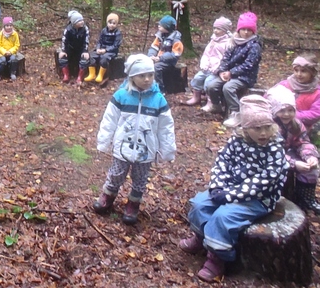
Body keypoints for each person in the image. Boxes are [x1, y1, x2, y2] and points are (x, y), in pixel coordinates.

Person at [179, 95, 288, 282]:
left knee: (224, 216)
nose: (263, 133)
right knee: (200, 204)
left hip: (258, 198)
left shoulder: (274, 149)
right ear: (245, 127)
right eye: (257, 128)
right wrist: (217, 187)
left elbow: (264, 181)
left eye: (266, 127)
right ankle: (201, 237)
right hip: (229, 189)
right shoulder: (237, 141)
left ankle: (217, 257)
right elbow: (222, 162)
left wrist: (229, 195)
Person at [93, 54, 176, 225]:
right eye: (142, 75)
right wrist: (104, 141)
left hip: (146, 149)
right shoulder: (121, 96)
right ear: (132, 76)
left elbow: (166, 127)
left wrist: (167, 150)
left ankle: (133, 203)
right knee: (116, 174)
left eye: (150, 75)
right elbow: (109, 120)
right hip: (122, 147)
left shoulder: (158, 100)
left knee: (140, 178)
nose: (147, 79)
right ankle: (108, 195)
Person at [266, 85, 320, 214]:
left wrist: (310, 156)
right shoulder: (269, 127)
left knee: (311, 170)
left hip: (288, 153)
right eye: (282, 110)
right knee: (281, 172)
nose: (286, 114)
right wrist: (294, 164)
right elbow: (273, 152)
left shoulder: (296, 124)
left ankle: (306, 199)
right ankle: (279, 199)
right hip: (270, 158)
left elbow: (303, 142)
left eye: (290, 110)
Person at [204, 12, 262, 127]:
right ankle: (216, 105)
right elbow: (225, 58)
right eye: (243, 29)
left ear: (253, 31)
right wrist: (222, 71)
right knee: (211, 86)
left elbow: (249, 64)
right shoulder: (233, 41)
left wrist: (231, 73)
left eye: (249, 30)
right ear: (239, 30)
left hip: (245, 76)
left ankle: (236, 113)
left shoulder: (254, 46)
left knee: (228, 88)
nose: (246, 32)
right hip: (228, 74)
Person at [184, 17, 233, 106]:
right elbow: (206, 54)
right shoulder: (213, 40)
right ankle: (196, 97)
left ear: (225, 30)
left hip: (217, 70)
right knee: (197, 78)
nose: (215, 31)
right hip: (207, 68)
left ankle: (210, 102)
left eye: (218, 29)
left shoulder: (228, 43)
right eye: (214, 28)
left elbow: (226, 59)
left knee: (208, 81)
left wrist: (218, 69)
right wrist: (204, 63)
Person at [272, 54, 320, 133]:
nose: (299, 74)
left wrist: (292, 115)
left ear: (312, 72)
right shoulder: (284, 85)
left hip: (302, 128)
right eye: (296, 70)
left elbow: (315, 113)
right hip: (278, 124)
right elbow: (268, 98)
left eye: (303, 71)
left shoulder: (317, 93)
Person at [147, 15, 183, 93]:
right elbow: (154, 47)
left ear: (168, 27)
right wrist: (151, 56)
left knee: (156, 67)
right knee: (147, 64)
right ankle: (148, 85)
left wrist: (160, 58)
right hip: (159, 58)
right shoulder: (160, 36)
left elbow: (175, 54)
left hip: (169, 61)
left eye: (161, 25)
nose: (159, 26)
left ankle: (160, 89)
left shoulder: (176, 40)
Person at [85, 13, 122, 84]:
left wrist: (106, 50)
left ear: (116, 24)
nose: (111, 25)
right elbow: (99, 41)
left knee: (104, 58)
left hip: (111, 51)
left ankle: (100, 75)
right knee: (91, 55)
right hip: (101, 49)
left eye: (114, 23)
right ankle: (92, 74)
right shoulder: (104, 30)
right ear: (107, 23)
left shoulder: (117, 33)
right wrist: (98, 48)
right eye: (110, 23)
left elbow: (116, 45)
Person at [58, 10, 90, 85]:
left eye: (82, 20)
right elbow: (64, 40)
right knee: (62, 58)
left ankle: (80, 77)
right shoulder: (68, 29)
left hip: (80, 49)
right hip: (70, 48)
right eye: (79, 21)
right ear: (74, 22)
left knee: (84, 59)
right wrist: (63, 50)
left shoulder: (85, 29)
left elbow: (86, 40)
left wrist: (85, 51)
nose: (82, 22)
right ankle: (66, 75)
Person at [0, 17, 21, 81]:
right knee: (2, 60)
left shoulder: (15, 34)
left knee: (13, 59)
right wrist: (4, 52)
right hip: (2, 52)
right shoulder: (1, 34)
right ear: (4, 26)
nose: (9, 27)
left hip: (12, 52)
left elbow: (17, 45)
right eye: (7, 26)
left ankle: (12, 73)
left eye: (10, 25)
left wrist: (11, 51)